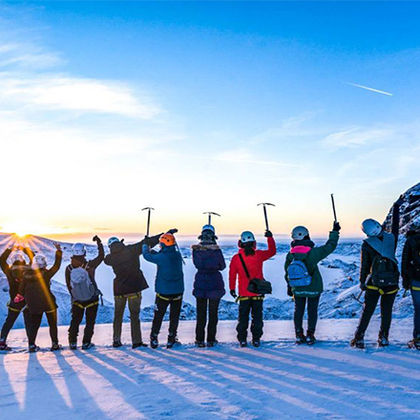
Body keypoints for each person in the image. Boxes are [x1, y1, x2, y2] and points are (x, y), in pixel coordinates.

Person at [351, 198, 402, 349]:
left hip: (373, 283)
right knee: (386, 312)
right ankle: (383, 338)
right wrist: (396, 207)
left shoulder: (367, 245)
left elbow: (365, 266)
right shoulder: (391, 239)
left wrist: (362, 282)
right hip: (391, 282)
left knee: (368, 311)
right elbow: (395, 225)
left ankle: (359, 338)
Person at [284, 222, 340, 345]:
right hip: (313, 287)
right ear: (306, 236)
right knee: (312, 311)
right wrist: (335, 232)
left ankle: (299, 334)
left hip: (297, 288)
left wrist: (289, 286)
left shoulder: (291, 255)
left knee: (298, 311)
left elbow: (287, 271)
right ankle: (310, 335)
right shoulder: (313, 253)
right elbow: (329, 246)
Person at [104, 233, 162, 348]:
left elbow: (106, 260)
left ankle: (116, 340)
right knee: (134, 316)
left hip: (119, 290)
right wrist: (160, 236)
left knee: (118, 316)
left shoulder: (110, 258)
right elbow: (145, 244)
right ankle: (136, 341)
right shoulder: (131, 250)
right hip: (134, 288)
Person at [229, 230, 276, 347]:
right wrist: (270, 238)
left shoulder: (236, 258)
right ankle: (256, 339)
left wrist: (232, 289)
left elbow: (232, 275)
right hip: (257, 293)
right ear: (254, 243)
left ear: (240, 243)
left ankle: (242, 339)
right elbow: (272, 251)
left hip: (244, 293)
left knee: (243, 318)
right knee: (257, 317)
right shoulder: (259, 255)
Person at [142, 232, 184, 349]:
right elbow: (161, 255)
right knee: (174, 316)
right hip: (178, 292)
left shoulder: (161, 257)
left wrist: (145, 245)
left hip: (163, 293)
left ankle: (154, 337)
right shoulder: (177, 255)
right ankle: (171, 339)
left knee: (158, 316)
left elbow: (147, 256)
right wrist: (153, 250)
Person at [20, 243, 63, 352]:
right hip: (48, 303)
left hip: (33, 304)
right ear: (43, 264)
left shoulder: (26, 275)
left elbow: (21, 290)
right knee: (52, 324)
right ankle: (54, 344)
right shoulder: (46, 274)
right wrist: (58, 252)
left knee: (34, 325)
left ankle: (31, 345)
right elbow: (56, 266)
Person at [65, 236, 104, 350]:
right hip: (92, 297)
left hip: (77, 300)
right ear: (84, 252)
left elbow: (69, 285)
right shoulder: (90, 265)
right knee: (90, 321)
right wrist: (99, 243)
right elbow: (101, 257)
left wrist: (74, 297)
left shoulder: (69, 268)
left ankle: (72, 342)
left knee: (75, 321)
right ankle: (86, 342)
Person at [192, 224, 226, 347]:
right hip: (215, 284)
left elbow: (196, 264)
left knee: (201, 314)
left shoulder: (196, 250)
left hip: (200, 283)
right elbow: (222, 266)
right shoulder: (217, 250)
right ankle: (211, 339)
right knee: (213, 314)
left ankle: (199, 339)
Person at [0, 246, 33, 351]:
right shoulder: (28, 269)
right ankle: (31, 344)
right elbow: (33, 258)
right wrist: (25, 249)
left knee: (9, 322)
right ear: (23, 259)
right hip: (26, 301)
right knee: (29, 323)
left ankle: (1, 341)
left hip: (14, 301)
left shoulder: (9, 271)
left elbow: (1, 260)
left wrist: (9, 249)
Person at [401, 220, 420, 349]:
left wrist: (405, 280)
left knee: (418, 310)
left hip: (416, 280)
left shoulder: (410, 240)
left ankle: (418, 338)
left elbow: (405, 261)